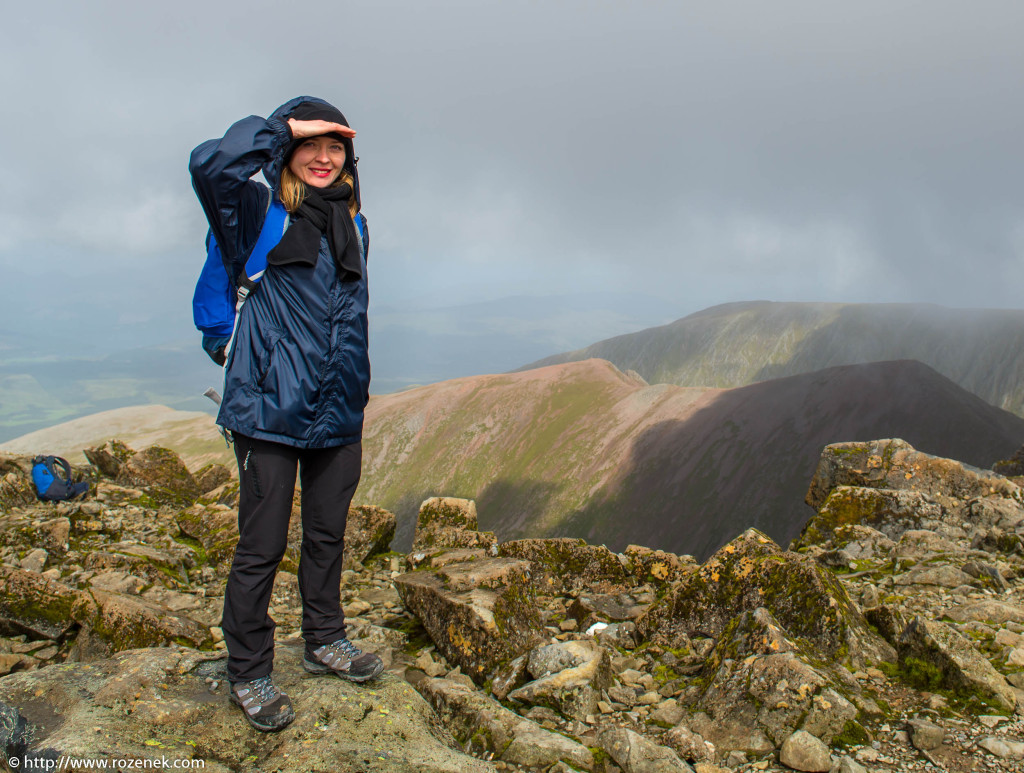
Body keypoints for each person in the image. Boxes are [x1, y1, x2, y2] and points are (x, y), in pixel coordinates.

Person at [189, 96, 383, 733]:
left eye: (337, 148)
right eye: (311, 146)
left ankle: (324, 639)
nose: (325, 158)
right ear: (287, 153)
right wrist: (277, 130)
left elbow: (348, 316)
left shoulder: (353, 222)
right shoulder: (255, 211)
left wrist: (356, 387)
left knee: (328, 536)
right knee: (261, 546)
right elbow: (211, 167)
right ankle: (249, 671)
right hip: (269, 407)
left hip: (337, 408)